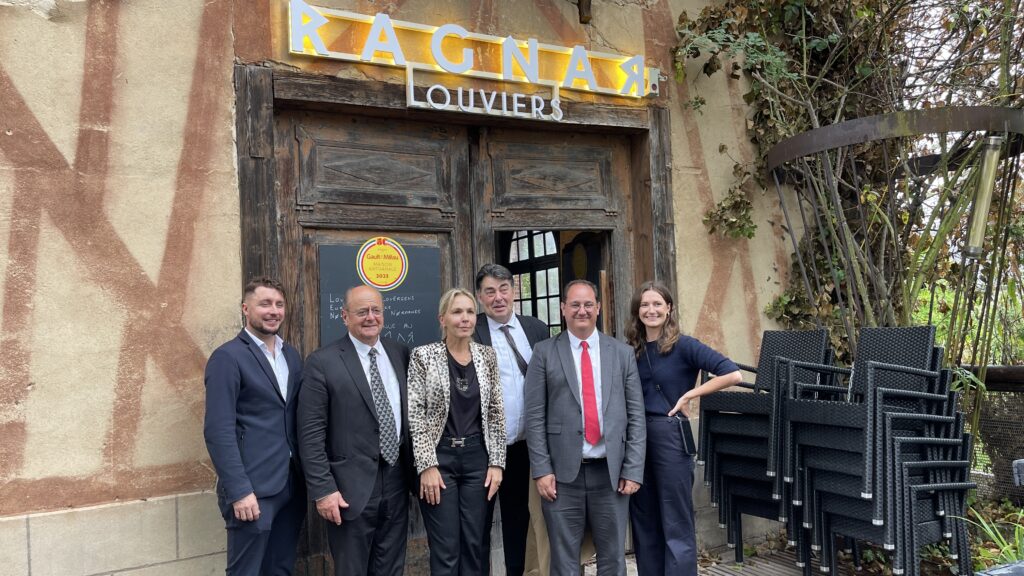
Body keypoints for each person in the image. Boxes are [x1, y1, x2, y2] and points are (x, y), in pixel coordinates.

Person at [525, 279, 646, 576]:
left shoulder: (621, 353)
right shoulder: (543, 352)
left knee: (613, 558)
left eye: (588, 304)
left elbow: (636, 416)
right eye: (575, 304)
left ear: (598, 308)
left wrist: (632, 469)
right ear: (563, 308)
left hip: (611, 474)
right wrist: (541, 470)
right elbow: (534, 416)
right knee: (564, 561)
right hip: (562, 476)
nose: (582, 310)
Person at [624, 281, 742, 576]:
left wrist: (691, 395)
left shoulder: (684, 345)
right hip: (637, 437)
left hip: (669, 435)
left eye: (657, 304)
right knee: (643, 517)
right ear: (637, 312)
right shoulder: (631, 350)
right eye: (645, 305)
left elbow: (733, 373)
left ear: (669, 308)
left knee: (675, 519)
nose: (651, 310)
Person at [297, 284, 413, 576]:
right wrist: (324, 490)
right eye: (362, 312)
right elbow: (310, 434)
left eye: (376, 310)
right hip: (349, 490)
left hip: (397, 481)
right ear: (345, 316)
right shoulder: (322, 362)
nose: (370, 317)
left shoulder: (400, 353)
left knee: (391, 567)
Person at [204, 276, 306, 576]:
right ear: (246, 309)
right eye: (265, 304)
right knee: (246, 571)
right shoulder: (227, 358)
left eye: (278, 304)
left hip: (291, 484)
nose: (273, 311)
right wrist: (239, 490)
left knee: (281, 567)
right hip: (253, 489)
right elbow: (218, 430)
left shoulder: (291, 355)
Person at [409, 288, 507, 575]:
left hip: (478, 459)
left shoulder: (487, 356)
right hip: (440, 461)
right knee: (446, 547)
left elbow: (495, 412)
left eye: (468, 312)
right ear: (443, 318)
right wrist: (426, 465)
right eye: (456, 312)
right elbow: (415, 414)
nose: (464, 318)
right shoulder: (423, 356)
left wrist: (497, 463)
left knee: (475, 544)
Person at [472, 264, 550, 576]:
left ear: (514, 292)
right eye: (489, 291)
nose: (498, 297)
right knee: (477, 525)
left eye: (504, 289)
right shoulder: (471, 329)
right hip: (482, 449)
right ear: (480, 297)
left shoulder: (536, 329)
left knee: (519, 522)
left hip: (523, 447)